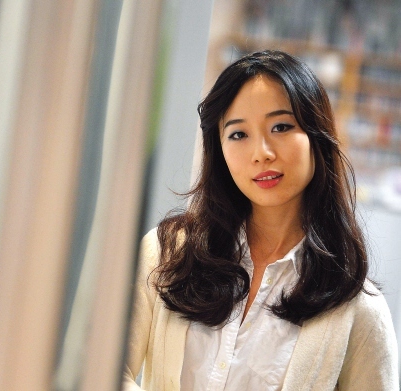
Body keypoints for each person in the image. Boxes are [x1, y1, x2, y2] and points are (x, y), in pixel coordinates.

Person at [123, 50, 399, 391]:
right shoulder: (168, 253)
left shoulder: (357, 308)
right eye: (239, 134)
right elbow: (107, 370)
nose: (262, 152)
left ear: (317, 136)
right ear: (219, 149)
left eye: (281, 127)